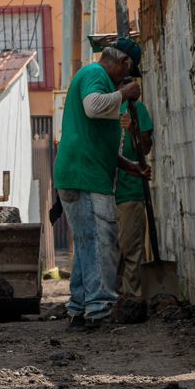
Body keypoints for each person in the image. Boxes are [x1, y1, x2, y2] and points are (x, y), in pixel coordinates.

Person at [52, 38, 150, 330]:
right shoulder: (96, 75)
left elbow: (97, 139)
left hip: (79, 172)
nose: (128, 79)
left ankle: (79, 307)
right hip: (86, 176)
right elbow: (93, 107)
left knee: (86, 244)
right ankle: (100, 307)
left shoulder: (98, 81)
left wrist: (128, 165)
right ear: (124, 64)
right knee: (102, 242)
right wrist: (124, 93)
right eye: (128, 74)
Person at [116, 91, 154, 302]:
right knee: (111, 252)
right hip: (107, 191)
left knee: (131, 250)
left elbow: (146, 147)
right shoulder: (103, 107)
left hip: (130, 191)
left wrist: (133, 129)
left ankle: (132, 299)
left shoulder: (136, 109)